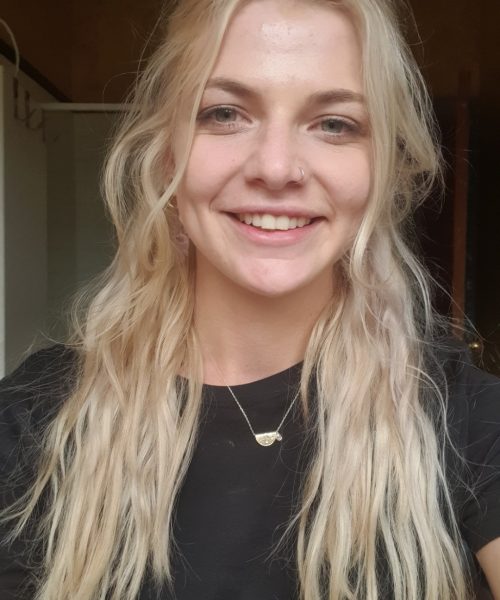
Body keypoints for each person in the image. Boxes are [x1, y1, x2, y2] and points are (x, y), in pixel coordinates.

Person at [1, 0, 499, 598]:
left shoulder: (464, 417)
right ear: (166, 156)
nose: (277, 167)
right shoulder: (34, 420)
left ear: (382, 166)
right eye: (225, 113)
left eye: (335, 123)